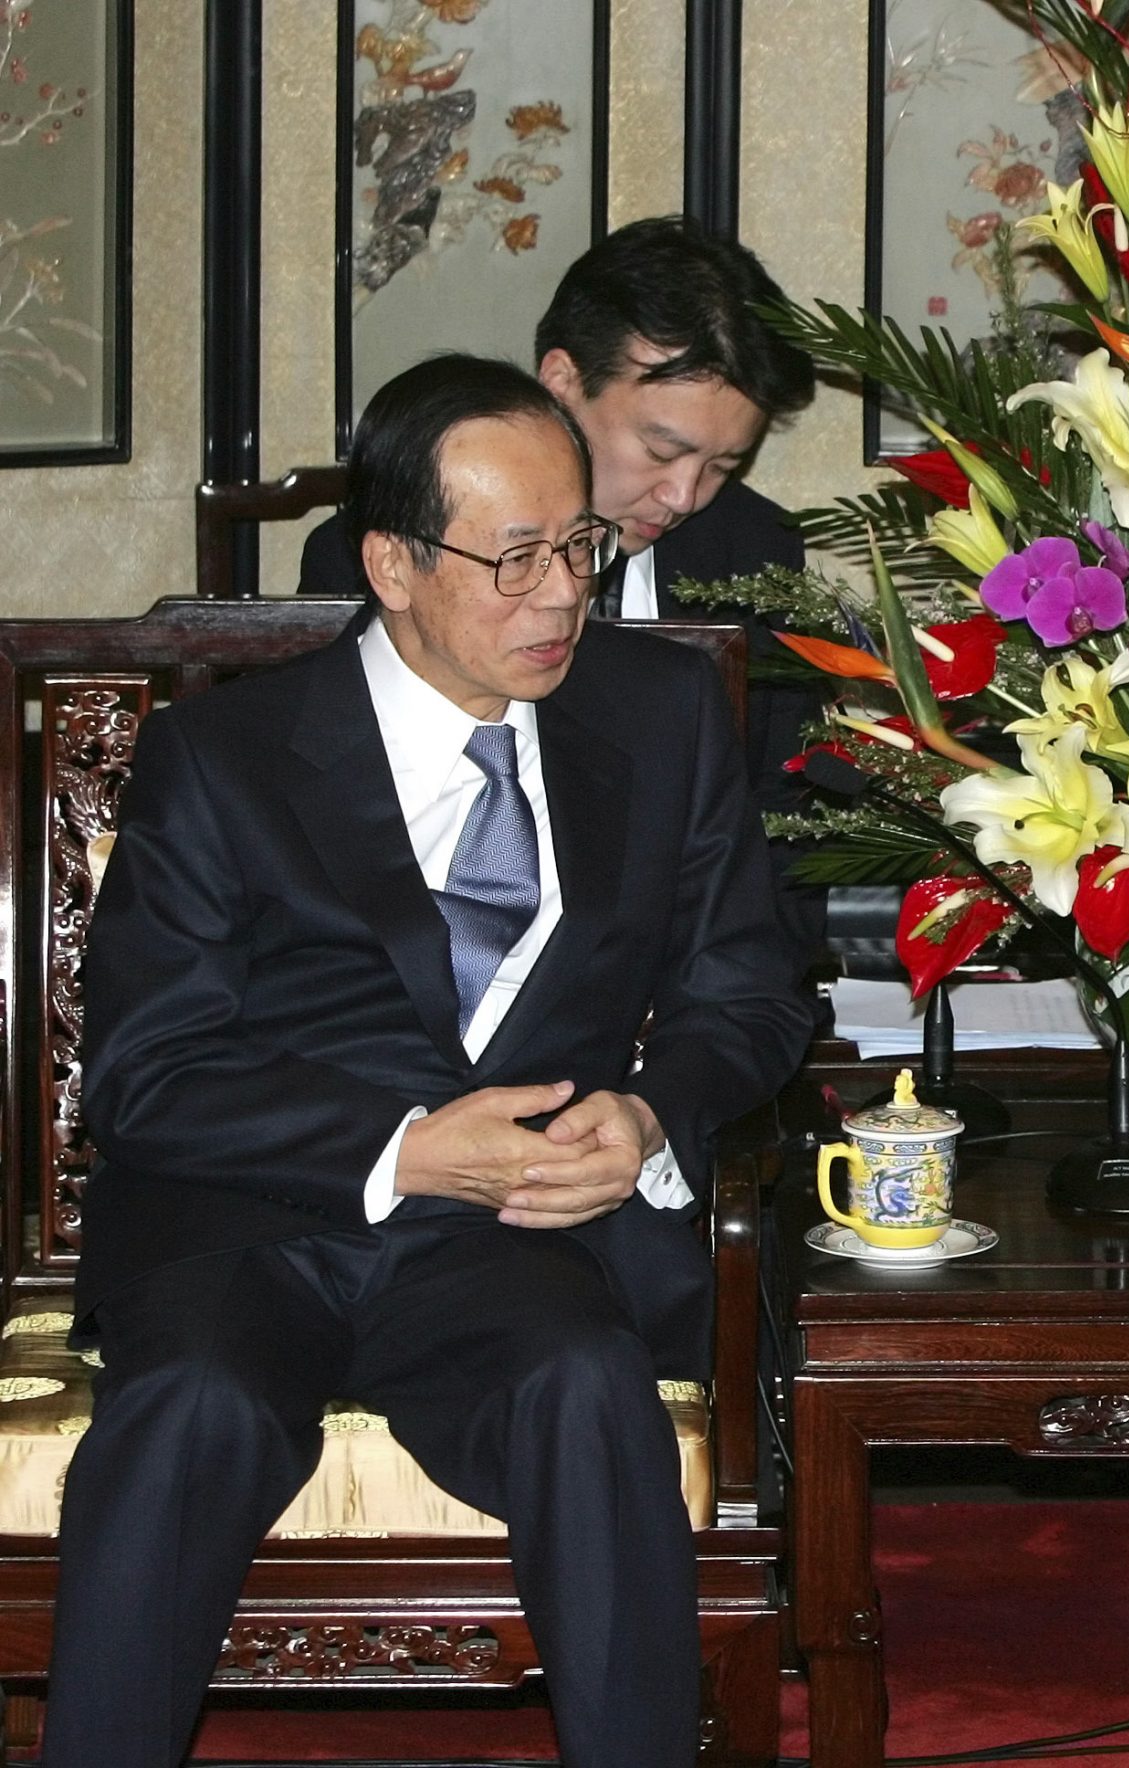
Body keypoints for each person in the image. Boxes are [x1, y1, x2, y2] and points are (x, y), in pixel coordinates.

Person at [49, 355, 810, 1767]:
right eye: (513, 559)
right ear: (393, 563)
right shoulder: (228, 757)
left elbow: (748, 991)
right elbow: (148, 1072)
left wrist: (648, 1117)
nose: (562, 594)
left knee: (586, 1386)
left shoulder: (654, 720)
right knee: (188, 1406)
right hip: (250, 1229)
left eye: (577, 547)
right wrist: (403, 1148)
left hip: (508, 1247)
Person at [301, 216, 822, 826]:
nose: (683, 496)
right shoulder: (399, 556)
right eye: (661, 450)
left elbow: (786, 813)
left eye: (724, 465)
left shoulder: (756, 549)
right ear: (562, 383)